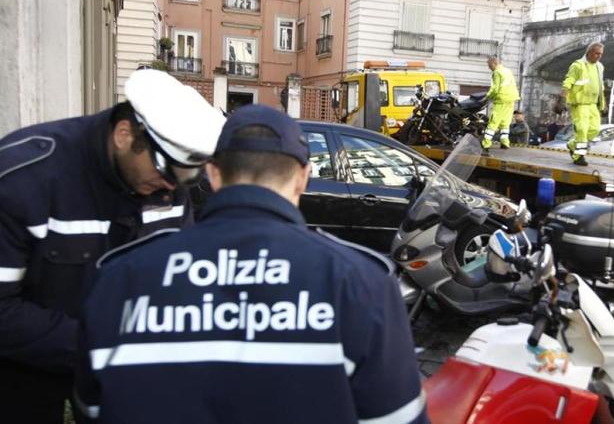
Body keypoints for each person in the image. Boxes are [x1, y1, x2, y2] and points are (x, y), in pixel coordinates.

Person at [75, 105, 428, 424]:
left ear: (212, 175)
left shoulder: (121, 278)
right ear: (303, 177)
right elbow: (397, 417)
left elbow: (91, 408)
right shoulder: (361, 283)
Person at [0, 69, 225, 424]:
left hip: (121, 368)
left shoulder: (167, 187)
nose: (171, 186)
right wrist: (102, 342)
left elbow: (179, 272)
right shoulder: (23, 179)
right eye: (167, 169)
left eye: (185, 176)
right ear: (124, 135)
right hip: (23, 368)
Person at [562, 42, 606, 166]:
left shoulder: (600, 67)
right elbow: (568, 81)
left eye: (601, 54)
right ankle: (578, 156)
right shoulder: (578, 66)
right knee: (582, 130)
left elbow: (600, 86)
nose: (599, 56)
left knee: (594, 130)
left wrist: (603, 104)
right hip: (579, 103)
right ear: (589, 52)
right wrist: (562, 98)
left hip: (592, 104)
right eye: (597, 53)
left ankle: (572, 144)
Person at [481, 56, 520, 150]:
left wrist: (487, 97)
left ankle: (486, 143)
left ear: (494, 63)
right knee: (505, 123)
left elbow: (495, 88)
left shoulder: (497, 72)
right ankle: (505, 143)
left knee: (493, 122)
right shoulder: (507, 71)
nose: (489, 67)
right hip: (511, 99)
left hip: (501, 99)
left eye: (489, 65)